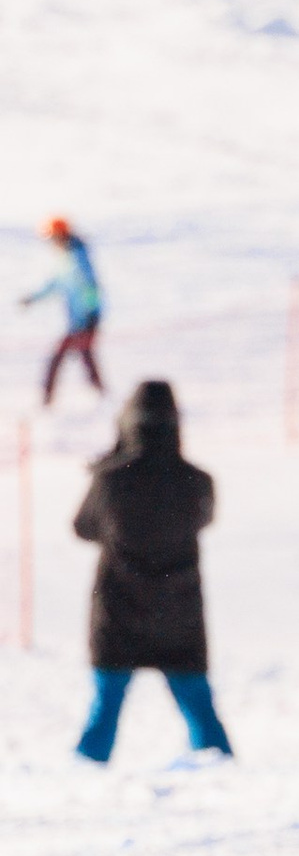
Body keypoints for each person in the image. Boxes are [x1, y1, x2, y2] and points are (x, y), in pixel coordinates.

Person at [72, 381, 232, 762]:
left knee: (105, 708)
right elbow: (205, 518)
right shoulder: (198, 479)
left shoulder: (111, 478)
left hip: (118, 608)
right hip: (179, 610)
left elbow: (83, 528)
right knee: (200, 711)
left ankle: (81, 781)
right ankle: (228, 779)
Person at [23, 218, 104, 403]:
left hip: (86, 318)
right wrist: (33, 299)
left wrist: (91, 313)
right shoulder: (66, 257)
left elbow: (90, 285)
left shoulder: (77, 256)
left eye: (52, 238)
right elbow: (56, 284)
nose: (51, 243)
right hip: (78, 319)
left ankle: (47, 399)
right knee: (85, 356)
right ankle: (101, 394)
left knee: (60, 355)